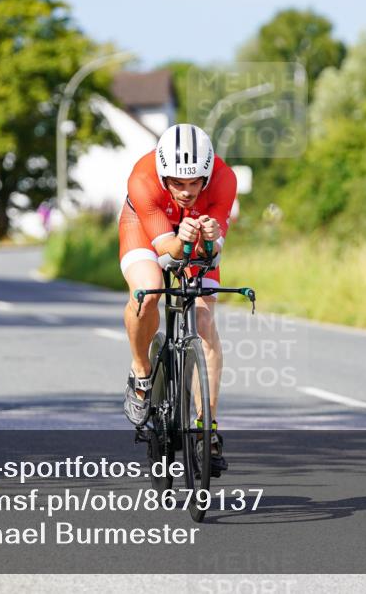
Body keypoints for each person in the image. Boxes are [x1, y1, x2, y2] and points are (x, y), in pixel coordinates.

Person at [119, 123, 237, 475]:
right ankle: (141, 372)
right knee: (148, 293)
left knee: (203, 320)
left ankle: (207, 427)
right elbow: (167, 253)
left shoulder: (223, 179)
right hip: (144, 227)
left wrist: (211, 238)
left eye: (194, 183)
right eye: (177, 183)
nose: (186, 192)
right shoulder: (142, 178)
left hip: (196, 233)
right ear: (162, 173)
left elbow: (210, 253)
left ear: (207, 173)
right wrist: (179, 237)